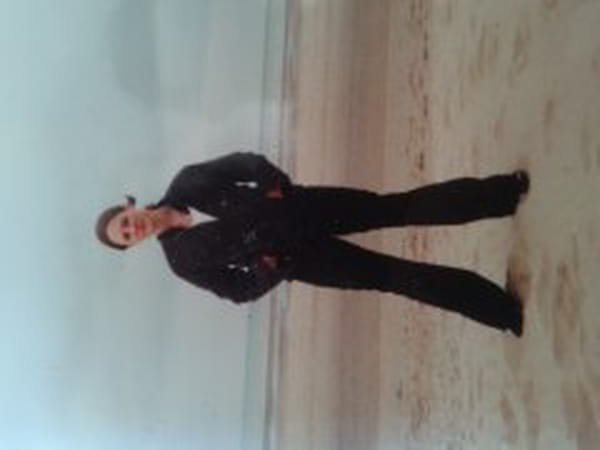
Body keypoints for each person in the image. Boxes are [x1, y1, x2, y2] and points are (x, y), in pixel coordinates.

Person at [96, 152, 529, 335]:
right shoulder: (181, 260)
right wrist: (268, 269)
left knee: (398, 208)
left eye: (125, 222)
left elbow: (244, 163)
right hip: (303, 261)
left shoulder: (187, 182)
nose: (133, 229)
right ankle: (502, 312)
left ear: (128, 207)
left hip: (305, 207)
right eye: (126, 237)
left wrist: (274, 184)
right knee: (397, 277)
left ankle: (503, 193)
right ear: (133, 246)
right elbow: (235, 290)